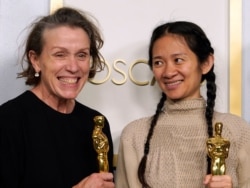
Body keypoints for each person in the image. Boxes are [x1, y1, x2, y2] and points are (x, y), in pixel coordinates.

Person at [115, 21, 250, 188]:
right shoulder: (134, 135)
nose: (168, 72)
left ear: (206, 63)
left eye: (178, 60)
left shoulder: (238, 130)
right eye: (158, 62)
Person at [0, 7, 114, 188]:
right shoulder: (8, 121)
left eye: (82, 55)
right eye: (60, 54)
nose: (73, 67)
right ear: (36, 60)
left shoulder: (96, 123)